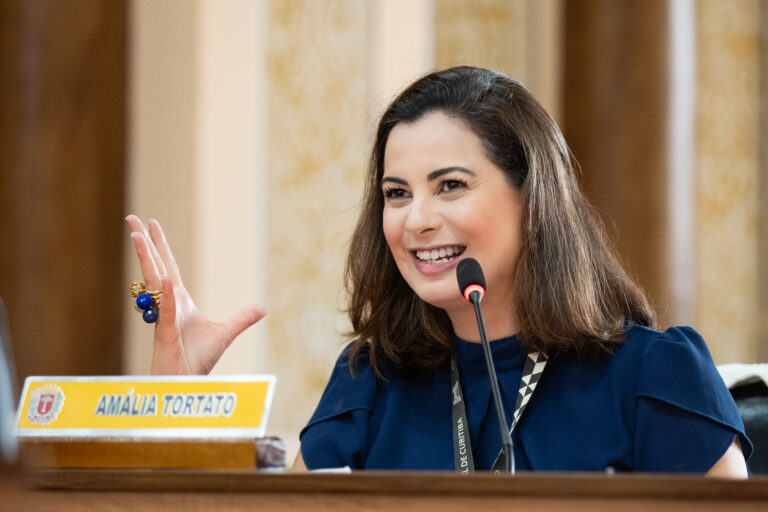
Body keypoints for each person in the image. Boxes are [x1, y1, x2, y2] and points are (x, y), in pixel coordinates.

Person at [127, 66, 750, 476]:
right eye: (396, 193)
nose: (416, 220)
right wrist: (176, 405)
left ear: (534, 199)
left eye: (450, 185)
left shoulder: (655, 376)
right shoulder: (369, 382)